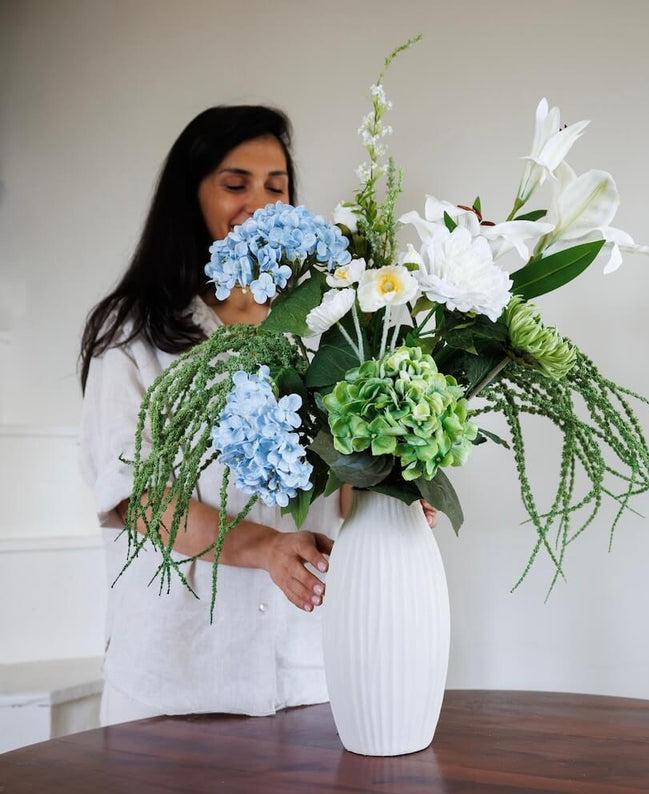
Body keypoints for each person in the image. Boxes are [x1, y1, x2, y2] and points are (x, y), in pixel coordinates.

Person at [78, 105, 436, 726]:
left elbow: (347, 482)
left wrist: (392, 495)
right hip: (176, 683)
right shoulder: (134, 334)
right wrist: (267, 547)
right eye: (235, 183)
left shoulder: (332, 324)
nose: (259, 203)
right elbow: (140, 500)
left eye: (276, 186)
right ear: (189, 197)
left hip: (313, 675)